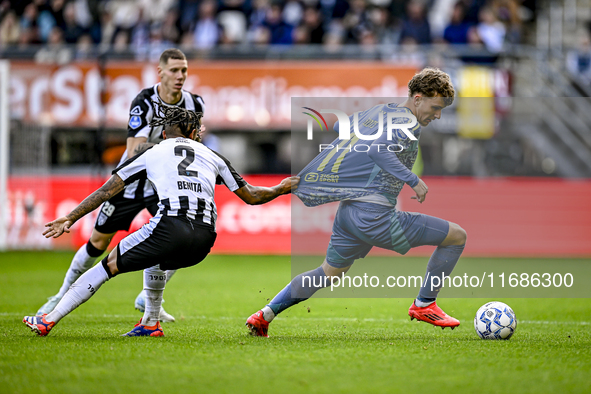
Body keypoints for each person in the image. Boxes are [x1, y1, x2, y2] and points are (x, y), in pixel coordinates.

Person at [24, 105, 298, 337]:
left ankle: (49, 318)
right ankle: (150, 323)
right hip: (204, 240)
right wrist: (281, 188)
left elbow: (108, 190)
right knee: (157, 256)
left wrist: (71, 217)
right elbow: (251, 196)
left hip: (171, 227)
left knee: (107, 265)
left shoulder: (154, 151)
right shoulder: (213, 156)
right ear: (194, 133)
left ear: (165, 133)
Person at [246, 67, 467, 337]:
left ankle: (264, 315)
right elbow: (377, 150)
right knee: (456, 236)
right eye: (435, 107)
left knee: (328, 272)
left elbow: (342, 127)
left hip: (349, 213)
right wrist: (412, 179)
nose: (437, 115)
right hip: (374, 216)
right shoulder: (406, 122)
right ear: (418, 98)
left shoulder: (379, 111)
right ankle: (424, 304)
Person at [36, 48, 205, 323]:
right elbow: (134, 149)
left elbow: (195, 144)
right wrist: (171, 147)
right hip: (129, 184)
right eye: (174, 70)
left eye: (184, 70)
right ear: (160, 72)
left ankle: (149, 299)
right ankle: (60, 295)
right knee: (99, 242)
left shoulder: (196, 104)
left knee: (183, 237)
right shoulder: (144, 102)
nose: (180, 76)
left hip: (161, 186)